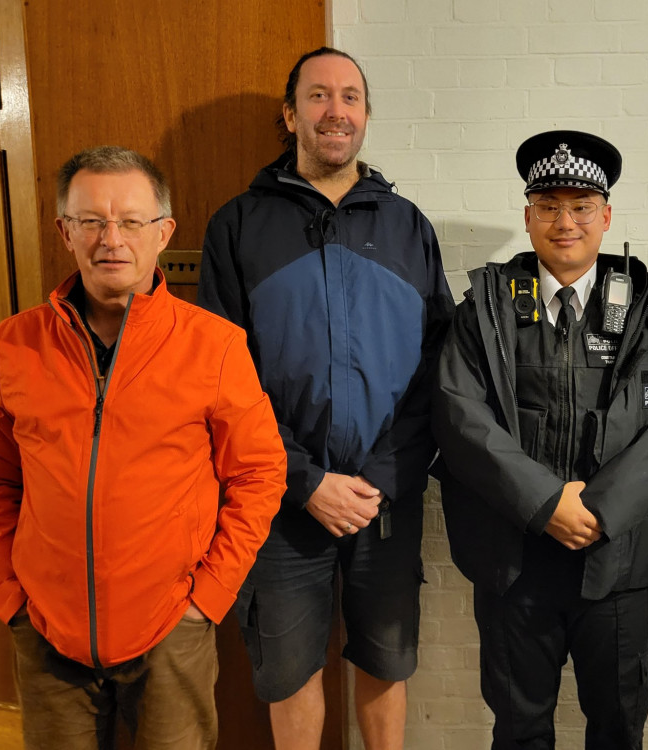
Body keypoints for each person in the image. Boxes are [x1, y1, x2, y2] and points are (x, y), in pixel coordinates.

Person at [0, 146, 286, 750]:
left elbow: (259, 474)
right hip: (44, 629)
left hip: (172, 629)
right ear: (64, 232)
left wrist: (208, 596)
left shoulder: (215, 345)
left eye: (130, 221)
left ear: (163, 233)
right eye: (91, 220)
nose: (111, 239)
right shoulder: (13, 345)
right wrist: (7, 592)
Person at [197, 47, 453, 750]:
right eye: (318, 96)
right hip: (278, 499)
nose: (335, 110)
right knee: (288, 669)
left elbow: (440, 368)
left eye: (350, 97)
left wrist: (379, 477)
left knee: (385, 660)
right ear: (290, 115)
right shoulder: (239, 225)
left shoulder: (408, 226)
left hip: (383, 497)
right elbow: (223, 378)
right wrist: (303, 480)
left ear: (366, 116)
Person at [432, 130, 648, 749]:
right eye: (549, 206)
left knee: (617, 728)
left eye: (581, 206)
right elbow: (458, 414)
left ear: (605, 216)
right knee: (519, 728)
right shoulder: (486, 308)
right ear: (528, 216)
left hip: (618, 562)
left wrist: (599, 509)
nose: (565, 222)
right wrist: (544, 503)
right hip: (514, 563)